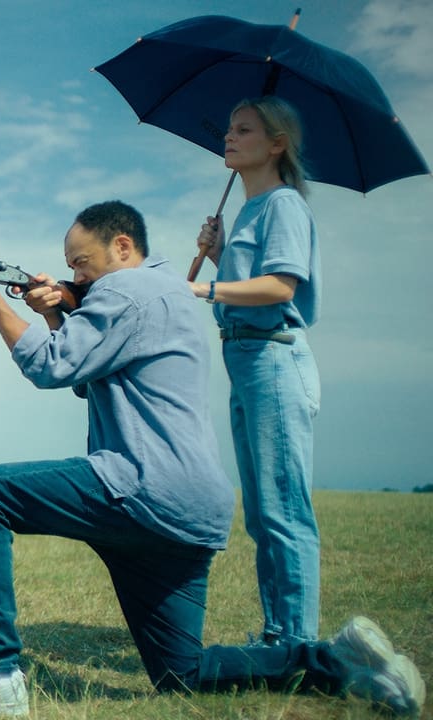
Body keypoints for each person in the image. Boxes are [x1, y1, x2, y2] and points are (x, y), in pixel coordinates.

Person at [0, 200, 424, 716]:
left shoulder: (125, 289)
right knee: (181, 673)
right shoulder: (166, 290)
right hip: (191, 509)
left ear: (122, 246)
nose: (76, 275)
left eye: (81, 263)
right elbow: (86, 373)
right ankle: (338, 663)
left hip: (141, 486)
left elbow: (52, 367)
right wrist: (56, 311)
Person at [189, 96, 322, 646]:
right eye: (229, 127)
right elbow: (249, 283)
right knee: (264, 510)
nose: (229, 136)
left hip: (273, 357)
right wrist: (219, 254)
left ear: (276, 144)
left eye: (244, 130)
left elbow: (280, 287)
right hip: (245, 357)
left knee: (283, 507)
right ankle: (278, 635)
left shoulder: (283, 204)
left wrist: (204, 287)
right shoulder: (250, 209)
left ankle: (294, 644)